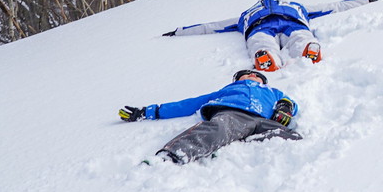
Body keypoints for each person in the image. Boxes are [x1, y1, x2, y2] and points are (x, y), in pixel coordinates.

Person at [163, 0, 383, 71]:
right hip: (283, 24)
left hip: (268, 26)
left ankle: (294, 52)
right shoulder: (293, 6)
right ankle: (283, 53)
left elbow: (212, 27)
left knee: (275, 39)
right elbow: (332, 6)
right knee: (287, 37)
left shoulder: (250, 12)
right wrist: (180, 31)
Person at [118, 69, 301, 164]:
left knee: (289, 136)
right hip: (233, 115)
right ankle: (174, 154)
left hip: (264, 121)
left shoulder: (274, 92)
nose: (252, 75)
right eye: (246, 75)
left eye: (256, 75)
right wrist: (149, 111)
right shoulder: (226, 92)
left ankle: (245, 142)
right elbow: (187, 104)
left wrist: (285, 106)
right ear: (237, 80)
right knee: (218, 129)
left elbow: (290, 102)